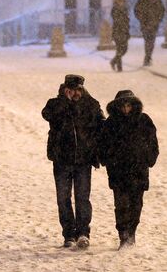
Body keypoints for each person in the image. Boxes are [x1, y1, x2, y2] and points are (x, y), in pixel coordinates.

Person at [41, 74, 104, 249]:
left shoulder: (91, 104)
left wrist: (97, 153)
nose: (75, 93)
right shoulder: (55, 104)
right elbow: (47, 115)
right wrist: (65, 101)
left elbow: (101, 126)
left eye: (78, 89)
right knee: (63, 198)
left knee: (82, 198)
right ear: (65, 89)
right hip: (62, 160)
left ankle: (83, 233)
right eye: (72, 89)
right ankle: (68, 234)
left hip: (83, 160)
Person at [100, 90, 159, 250]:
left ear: (134, 105)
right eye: (123, 105)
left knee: (136, 205)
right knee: (121, 205)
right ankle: (123, 235)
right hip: (118, 172)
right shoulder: (111, 123)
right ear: (118, 106)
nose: (126, 108)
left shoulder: (144, 120)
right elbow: (103, 145)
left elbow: (153, 142)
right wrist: (108, 160)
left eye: (129, 105)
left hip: (139, 171)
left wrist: (149, 159)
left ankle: (131, 233)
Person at [134, 0, 165, 66]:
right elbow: (136, 11)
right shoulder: (141, 1)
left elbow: (162, 11)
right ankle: (147, 58)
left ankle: (148, 57)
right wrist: (142, 19)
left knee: (152, 42)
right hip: (145, 25)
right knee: (147, 41)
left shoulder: (158, 1)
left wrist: (158, 20)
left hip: (154, 25)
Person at [110, 0, 130, 72]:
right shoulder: (114, 9)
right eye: (119, 1)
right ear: (116, 1)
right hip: (117, 31)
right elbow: (117, 19)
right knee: (119, 50)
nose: (121, 2)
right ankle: (119, 68)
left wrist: (127, 30)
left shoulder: (125, 9)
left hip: (125, 32)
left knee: (124, 49)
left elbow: (127, 20)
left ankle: (113, 61)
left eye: (122, 1)